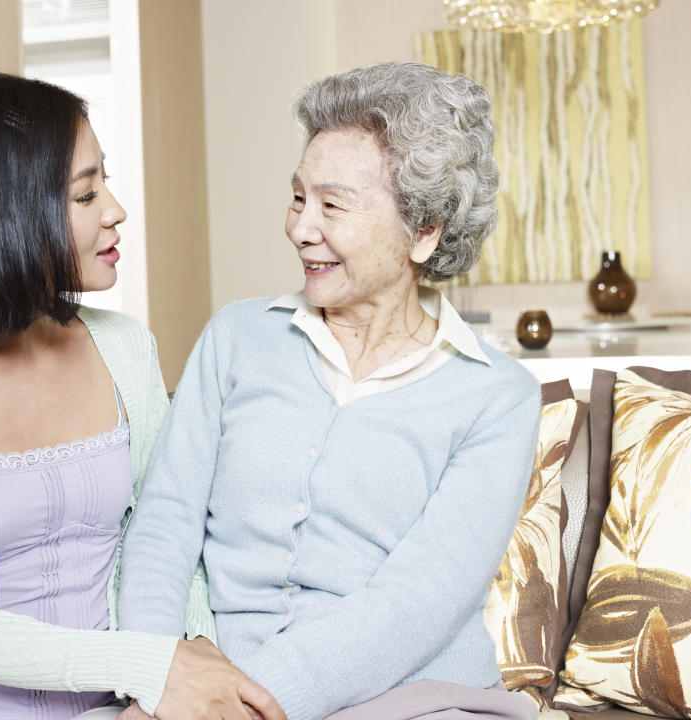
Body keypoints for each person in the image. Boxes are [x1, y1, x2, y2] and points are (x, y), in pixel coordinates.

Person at [0, 71, 285, 720]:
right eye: (86, 194)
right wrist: (149, 666)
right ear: (4, 212)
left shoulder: (126, 347)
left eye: (103, 183)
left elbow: (169, 535)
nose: (116, 209)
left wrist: (173, 678)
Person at [117, 62, 542, 720]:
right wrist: (158, 674)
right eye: (297, 198)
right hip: (204, 693)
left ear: (423, 232)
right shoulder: (237, 338)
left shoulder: (496, 396)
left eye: (333, 205)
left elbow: (416, 602)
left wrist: (242, 701)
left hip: (413, 699)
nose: (300, 228)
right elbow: (163, 527)